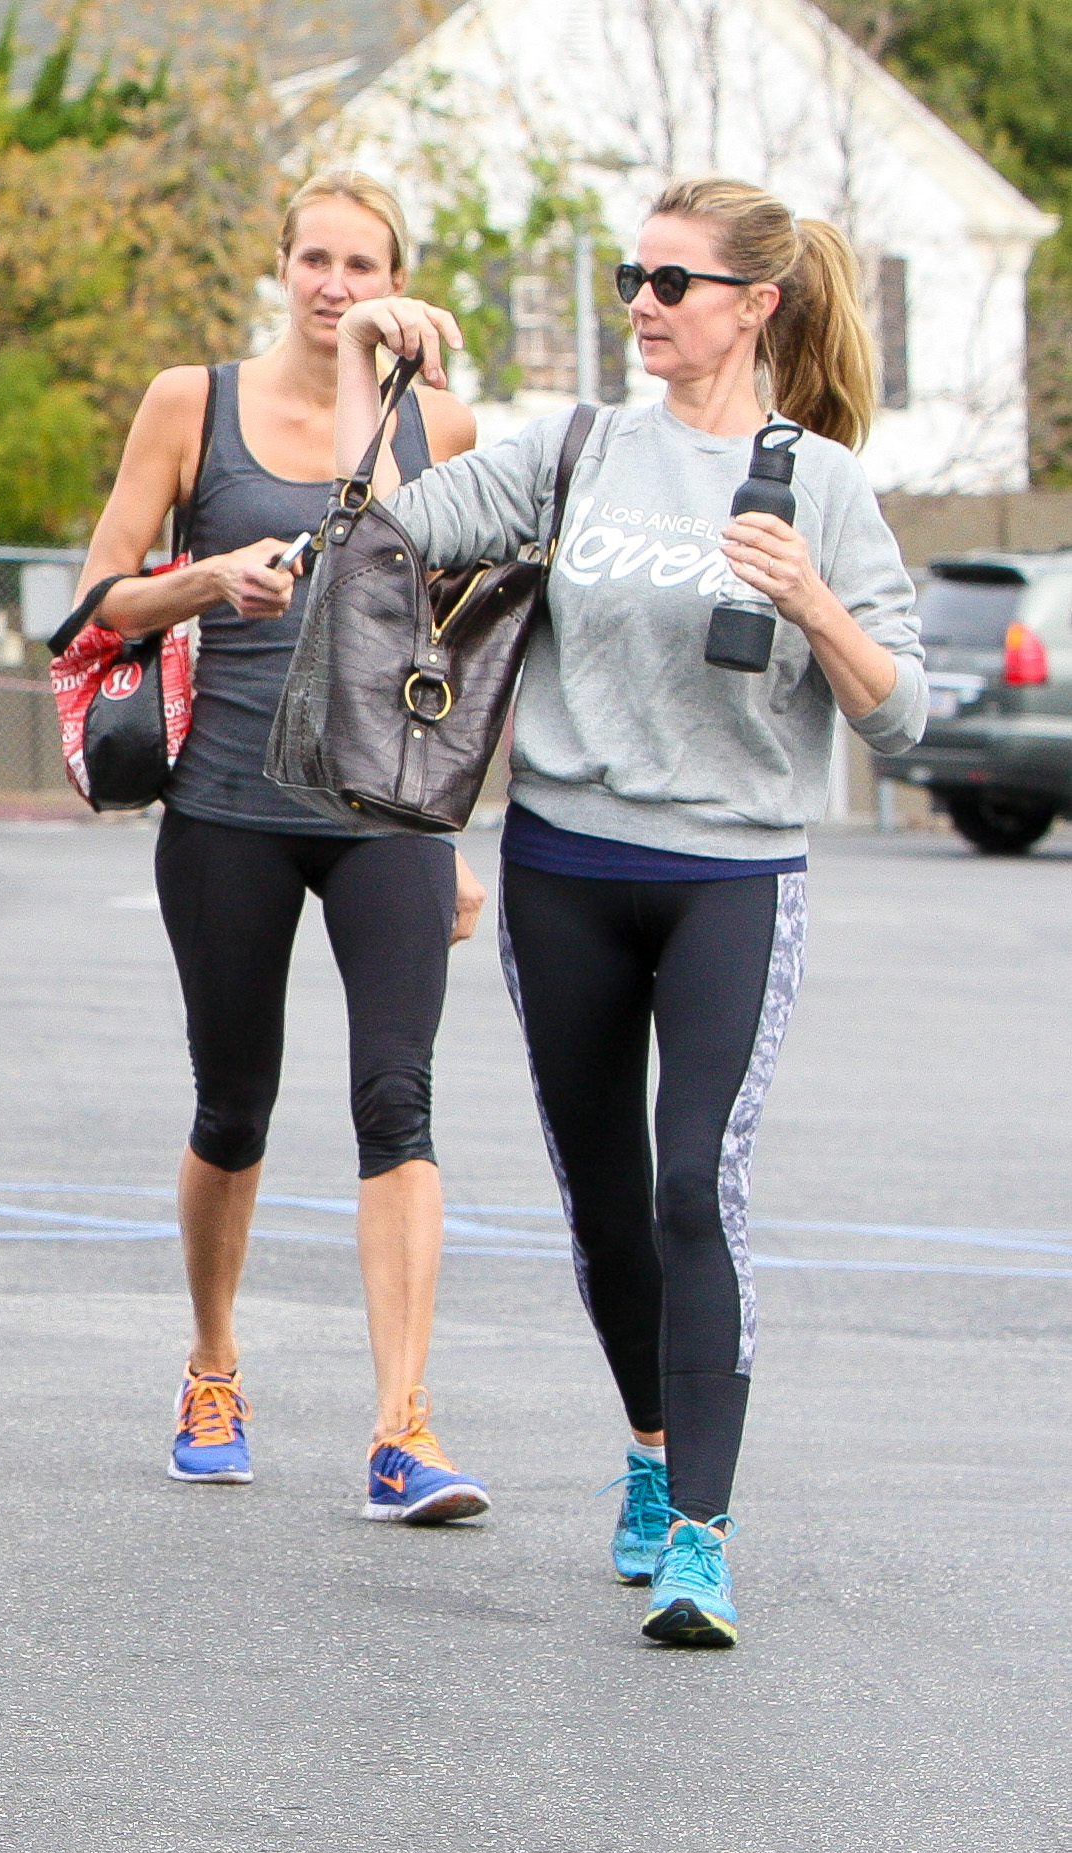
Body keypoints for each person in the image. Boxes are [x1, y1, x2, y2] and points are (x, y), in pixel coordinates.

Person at [345, 175, 923, 1648]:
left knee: (692, 1187)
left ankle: (702, 1543)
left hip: (731, 874)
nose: (643, 307)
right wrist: (374, 368)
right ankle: (654, 1457)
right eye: (632, 279)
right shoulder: (580, 450)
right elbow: (390, 526)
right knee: (605, 1200)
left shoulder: (821, 485)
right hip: (568, 870)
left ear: (755, 305)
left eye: (672, 283)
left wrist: (813, 602)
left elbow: (902, 713)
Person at [74, 171, 497, 1522]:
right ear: (282, 268)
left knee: (398, 1098)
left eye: (362, 265)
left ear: (396, 284)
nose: (335, 285)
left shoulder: (445, 426)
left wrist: (452, 830)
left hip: (385, 817)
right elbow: (95, 603)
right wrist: (210, 580)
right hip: (228, 809)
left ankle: (402, 1428)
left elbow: (447, 640)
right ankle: (212, 1368)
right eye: (316, 259)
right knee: (234, 1103)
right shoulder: (191, 403)